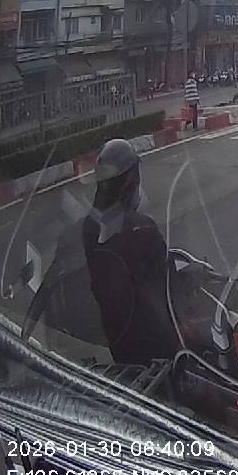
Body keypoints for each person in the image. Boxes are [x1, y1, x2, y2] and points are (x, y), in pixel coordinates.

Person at [39, 139, 179, 365]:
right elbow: (169, 291)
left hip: (108, 347)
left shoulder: (77, 233)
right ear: (131, 180)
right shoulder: (142, 230)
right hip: (152, 353)